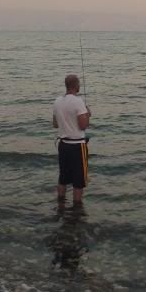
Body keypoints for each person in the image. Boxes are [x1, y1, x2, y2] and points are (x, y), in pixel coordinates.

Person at [52, 74, 91, 203]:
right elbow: (83, 126)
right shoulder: (78, 101)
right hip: (77, 146)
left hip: (63, 145)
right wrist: (87, 115)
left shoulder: (57, 101)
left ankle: (61, 205)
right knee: (78, 182)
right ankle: (77, 208)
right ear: (76, 85)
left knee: (63, 178)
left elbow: (55, 124)